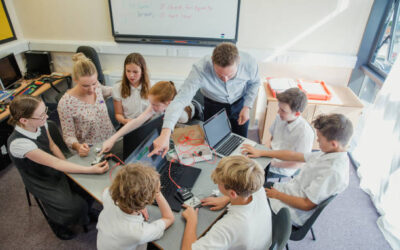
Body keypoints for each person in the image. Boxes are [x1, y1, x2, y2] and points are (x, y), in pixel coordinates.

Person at [7, 95, 109, 240]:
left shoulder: (40, 123)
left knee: (87, 186)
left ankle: (85, 212)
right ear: (24, 120)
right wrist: (89, 169)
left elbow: (52, 146)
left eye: (45, 111)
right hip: (39, 178)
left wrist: (69, 171)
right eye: (42, 115)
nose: (47, 116)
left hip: (53, 165)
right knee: (74, 207)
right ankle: (57, 222)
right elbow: (55, 164)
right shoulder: (19, 143)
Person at [149, 42, 260, 158]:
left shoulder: (249, 62)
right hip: (213, 104)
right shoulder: (200, 68)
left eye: (230, 75)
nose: (225, 80)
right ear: (212, 61)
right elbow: (180, 100)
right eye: (220, 75)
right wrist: (165, 133)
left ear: (239, 61)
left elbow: (255, 83)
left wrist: (247, 106)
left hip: (240, 103)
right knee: (215, 145)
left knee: (241, 143)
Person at [241, 113, 353, 226]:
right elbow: (294, 155)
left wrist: (277, 195)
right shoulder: (330, 153)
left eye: (319, 140)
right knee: (250, 189)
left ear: (333, 144)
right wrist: (263, 152)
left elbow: (307, 205)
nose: (317, 141)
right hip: (290, 191)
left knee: (244, 197)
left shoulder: (332, 171)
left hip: (291, 210)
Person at [181, 155, 272, 250]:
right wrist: (227, 198)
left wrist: (192, 221)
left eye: (219, 183)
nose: (217, 183)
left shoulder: (229, 227)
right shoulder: (256, 187)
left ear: (233, 193)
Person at [100, 81, 196, 154]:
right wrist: (112, 139)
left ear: (169, 103)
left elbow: (177, 129)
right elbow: (136, 121)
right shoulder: (158, 105)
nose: (152, 107)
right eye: (151, 103)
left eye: (155, 105)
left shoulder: (181, 115)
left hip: (190, 116)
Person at [96, 163, 174, 250]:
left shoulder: (110, 196)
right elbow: (169, 218)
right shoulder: (139, 233)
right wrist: (158, 193)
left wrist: (136, 204)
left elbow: (106, 191)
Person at [57, 53, 116, 157]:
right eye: (85, 86)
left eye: (94, 83)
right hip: (90, 149)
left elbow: (107, 91)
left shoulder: (97, 86)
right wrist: (78, 146)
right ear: (75, 79)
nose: (91, 89)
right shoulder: (66, 103)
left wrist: (126, 88)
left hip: (110, 139)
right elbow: (68, 136)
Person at [265, 88, 314, 179]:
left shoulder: (305, 133)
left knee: (251, 177)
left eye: (283, 110)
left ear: (297, 114)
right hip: (270, 156)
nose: (278, 112)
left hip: (281, 168)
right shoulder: (279, 117)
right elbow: (271, 138)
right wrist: (264, 150)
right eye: (279, 108)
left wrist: (273, 163)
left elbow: (299, 164)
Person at [112, 53, 150, 125]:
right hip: (128, 124)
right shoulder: (117, 88)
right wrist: (124, 121)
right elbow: (118, 114)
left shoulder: (151, 86)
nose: (131, 75)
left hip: (146, 123)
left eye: (135, 72)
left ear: (142, 71)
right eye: (128, 71)